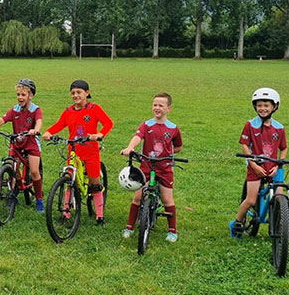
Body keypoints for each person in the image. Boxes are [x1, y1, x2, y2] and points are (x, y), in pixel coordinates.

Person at [42, 79, 113, 225]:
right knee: (69, 180)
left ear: (86, 93)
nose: (76, 95)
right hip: (74, 150)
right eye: (73, 93)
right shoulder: (68, 111)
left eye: (79, 92)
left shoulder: (94, 108)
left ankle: (100, 215)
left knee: (94, 183)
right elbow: (60, 124)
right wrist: (49, 132)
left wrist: (99, 135)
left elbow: (108, 123)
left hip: (91, 151)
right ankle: (66, 213)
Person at [120, 92, 183, 242]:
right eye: (155, 105)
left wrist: (169, 155)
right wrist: (130, 147)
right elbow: (137, 137)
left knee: (168, 199)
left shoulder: (173, 128)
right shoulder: (146, 125)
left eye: (161, 105)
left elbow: (178, 146)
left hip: (165, 168)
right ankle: (129, 227)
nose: (157, 108)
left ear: (169, 108)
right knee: (138, 197)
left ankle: (172, 230)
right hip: (147, 166)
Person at [230, 87, 287, 238]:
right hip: (255, 167)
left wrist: (278, 164)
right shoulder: (250, 125)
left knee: (280, 196)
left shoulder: (279, 128)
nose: (262, 108)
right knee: (250, 199)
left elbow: (284, 148)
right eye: (259, 105)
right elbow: (244, 144)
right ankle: (237, 221)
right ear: (255, 106)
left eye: (266, 105)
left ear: (274, 107)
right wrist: (252, 164)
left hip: (273, 166)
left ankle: (283, 225)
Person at [0, 78, 44, 212]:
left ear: (31, 95)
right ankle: (13, 191)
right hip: (16, 143)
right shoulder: (15, 110)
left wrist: (36, 129)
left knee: (34, 171)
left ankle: (39, 198)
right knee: (11, 166)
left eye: (23, 95)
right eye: (18, 95)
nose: (20, 97)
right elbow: (3, 119)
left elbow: (39, 121)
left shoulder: (36, 110)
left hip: (31, 143)